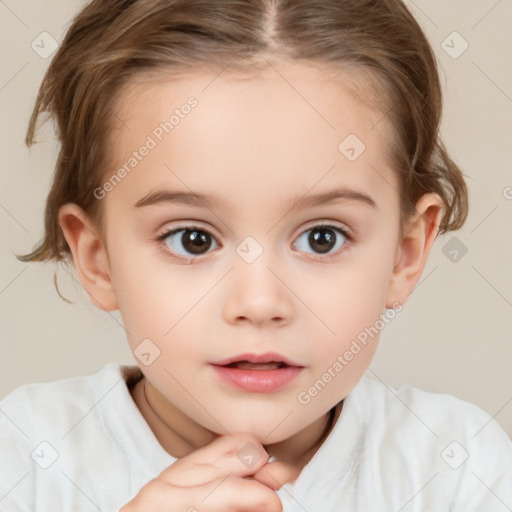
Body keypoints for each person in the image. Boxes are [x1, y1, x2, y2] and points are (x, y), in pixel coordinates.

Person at [1, 0, 511, 510]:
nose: (260, 302)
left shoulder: (458, 468)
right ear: (98, 259)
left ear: (405, 253)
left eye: (322, 238)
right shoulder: (25, 459)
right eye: (192, 239)